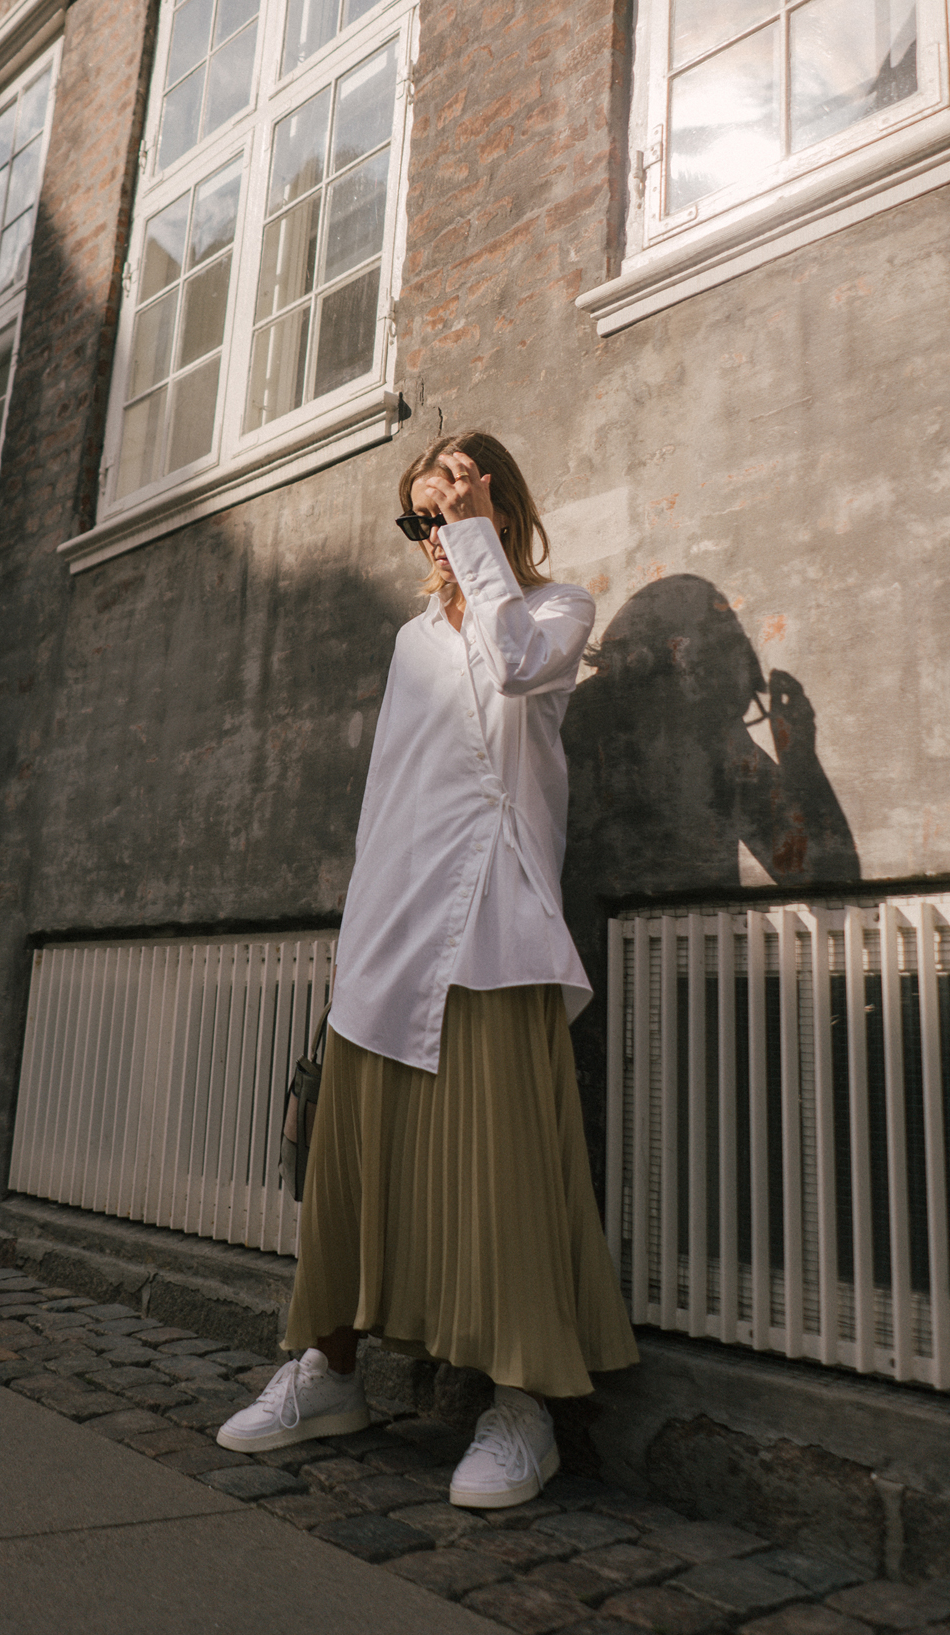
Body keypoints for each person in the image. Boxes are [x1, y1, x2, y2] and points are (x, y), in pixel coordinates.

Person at [216, 432, 637, 1507]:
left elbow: (511, 670)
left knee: (499, 1176)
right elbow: (386, 802)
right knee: (359, 1175)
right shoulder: (408, 642)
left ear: (495, 501)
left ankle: (521, 1408)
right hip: (391, 930)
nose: (434, 536)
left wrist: (479, 543)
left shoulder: (556, 610)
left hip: (492, 930)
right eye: (421, 519)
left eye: (447, 506)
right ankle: (330, 1375)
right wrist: (354, 939)